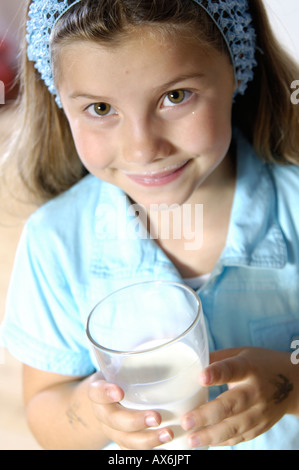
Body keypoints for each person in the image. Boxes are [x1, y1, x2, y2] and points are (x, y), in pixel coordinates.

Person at [0, 0, 299, 451]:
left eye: (175, 96)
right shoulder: (55, 243)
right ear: (63, 103)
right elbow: (46, 409)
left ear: (238, 70)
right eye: (101, 108)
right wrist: (96, 411)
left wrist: (289, 384)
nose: (143, 149)